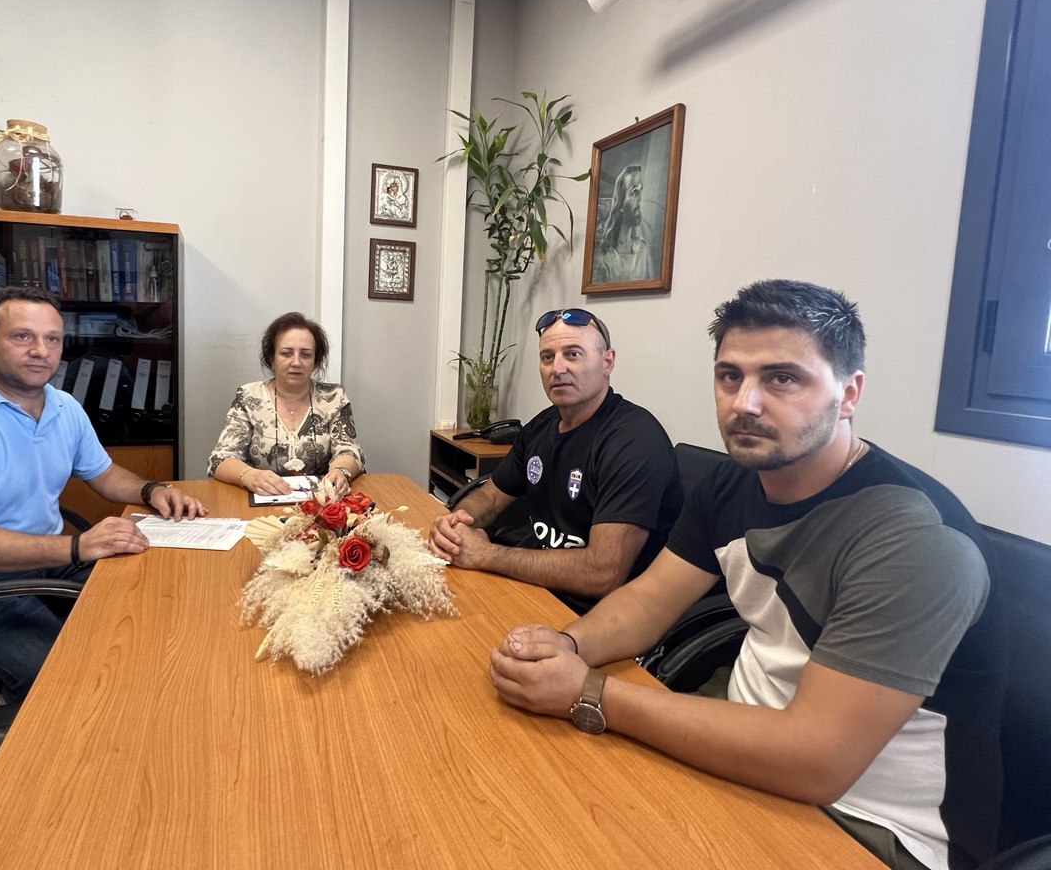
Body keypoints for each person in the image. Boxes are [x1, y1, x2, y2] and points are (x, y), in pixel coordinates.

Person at [489, 281, 1005, 870]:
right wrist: (566, 646)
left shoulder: (915, 541)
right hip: (741, 741)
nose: (745, 404)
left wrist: (589, 692)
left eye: (782, 378)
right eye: (730, 377)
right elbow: (649, 600)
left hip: (871, 824)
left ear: (849, 393)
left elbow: (816, 760)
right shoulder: (736, 480)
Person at [0, 286, 206, 703]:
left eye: (52, 339)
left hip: (42, 561)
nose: (40, 351)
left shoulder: (62, 406)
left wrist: (152, 490)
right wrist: (77, 546)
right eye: (22, 336)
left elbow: (105, 474)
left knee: (158, 604)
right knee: (63, 682)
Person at [430, 307, 683, 613]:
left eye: (573, 354)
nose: (557, 368)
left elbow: (602, 574)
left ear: (607, 362)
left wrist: (486, 554)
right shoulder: (542, 425)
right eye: (547, 357)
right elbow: (491, 497)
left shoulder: (635, 440)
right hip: (540, 585)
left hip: (603, 612)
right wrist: (458, 524)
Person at [209, 312, 364, 498]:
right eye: (286, 353)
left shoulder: (333, 397)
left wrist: (341, 472)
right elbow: (220, 459)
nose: (296, 362)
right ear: (271, 359)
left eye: (306, 355)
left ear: (315, 361)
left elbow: (349, 451)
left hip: (321, 502)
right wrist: (248, 475)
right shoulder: (249, 396)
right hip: (261, 499)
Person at [592, 165, 655, 283]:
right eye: (634, 192)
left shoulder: (642, 249)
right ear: (620, 203)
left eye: (641, 191)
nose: (640, 199)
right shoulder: (606, 254)